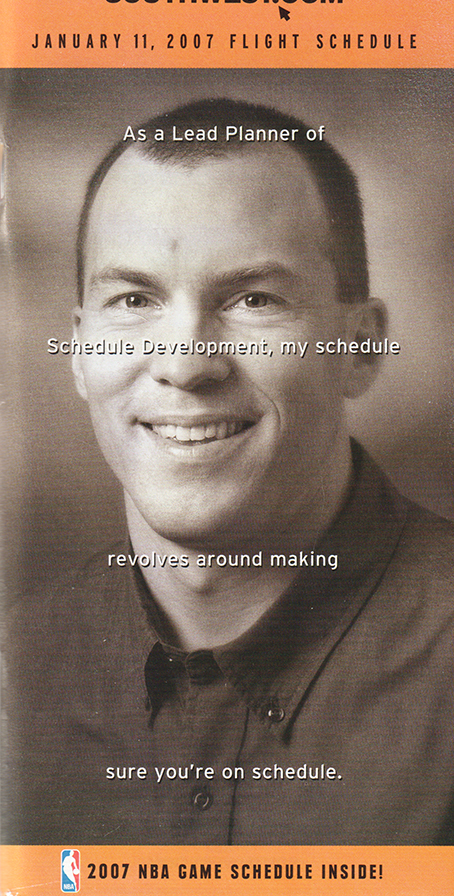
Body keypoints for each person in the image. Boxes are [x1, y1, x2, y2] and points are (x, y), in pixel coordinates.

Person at [6, 98, 454, 845]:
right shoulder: (16, 675)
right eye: (134, 299)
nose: (185, 365)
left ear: (361, 346)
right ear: (81, 352)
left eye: (254, 299)